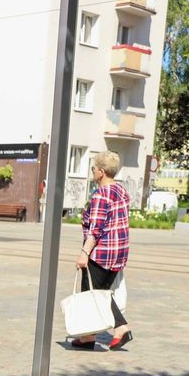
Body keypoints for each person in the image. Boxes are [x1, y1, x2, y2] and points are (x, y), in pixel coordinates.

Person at [72, 150, 132, 350]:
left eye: (94, 168)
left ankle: (121, 327)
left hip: (102, 253)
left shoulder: (101, 195)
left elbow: (96, 228)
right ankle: (88, 336)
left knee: (92, 293)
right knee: (100, 292)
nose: (92, 171)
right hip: (119, 252)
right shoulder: (121, 191)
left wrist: (84, 253)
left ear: (102, 172)